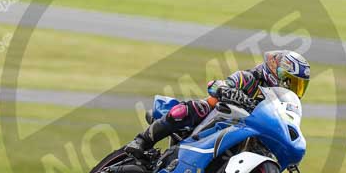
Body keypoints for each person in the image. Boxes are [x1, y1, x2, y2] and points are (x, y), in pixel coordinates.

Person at [125, 50, 310, 158]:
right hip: (215, 120)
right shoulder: (248, 78)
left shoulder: (280, 103)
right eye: (289, 81)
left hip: (243, 133)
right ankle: (142, 140)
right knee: (200, 106)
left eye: (298, 85)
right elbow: (216, 86)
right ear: (275, 72)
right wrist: (226, 90)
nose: (292, 88)